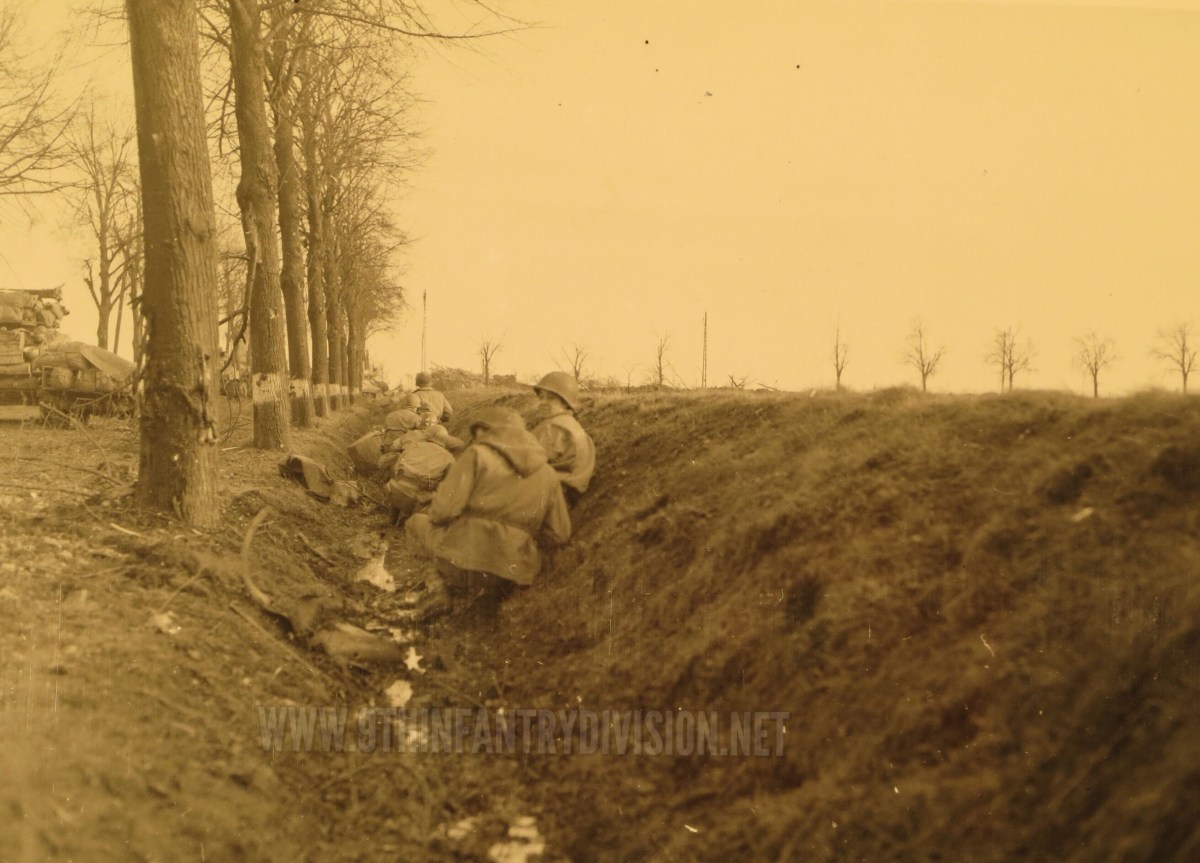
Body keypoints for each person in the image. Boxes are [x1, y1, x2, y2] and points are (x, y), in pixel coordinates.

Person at [405, 406, 571, 621]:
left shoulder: (477, 455)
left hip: (463, 560)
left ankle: (437, 588)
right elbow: (560, 533)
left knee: (416, 523)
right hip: (515, 571)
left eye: (477, 433)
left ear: (485, 431)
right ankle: (486, 604)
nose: (475, 439)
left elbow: (443, 511)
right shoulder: (548, 473)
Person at [530, 371, 596, 507]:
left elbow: (526, 464)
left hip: (548, 497)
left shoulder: (553, 427)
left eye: (551, 398)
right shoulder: (573, 426)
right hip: (564, 496)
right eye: (541, 397)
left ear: (565, 403)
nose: (543, 403)